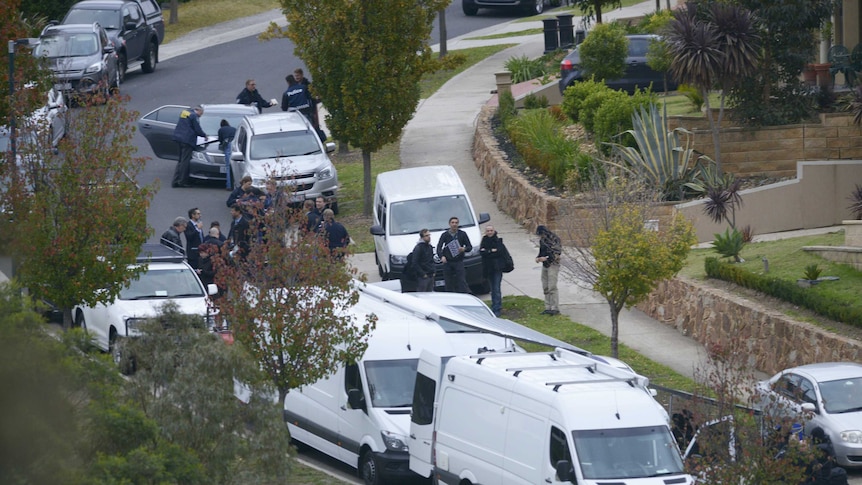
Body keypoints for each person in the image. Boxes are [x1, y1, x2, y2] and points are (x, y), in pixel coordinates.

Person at [171, 105, 206, 188]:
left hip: (179, 139)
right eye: (201, 113)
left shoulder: (185, 112)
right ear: (198, 110)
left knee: (180, 160)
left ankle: (175, 181)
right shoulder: (194, 116)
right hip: (188, 140)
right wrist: (204, 135)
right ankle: (182, 181)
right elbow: (197, 129)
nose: (201, 115)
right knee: (185, 162)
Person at [436, 216, 471, 293]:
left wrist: (464, 249)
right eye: (452, 223)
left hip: (458, 261)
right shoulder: (445, 235)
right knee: (448, 282)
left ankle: (464, 296)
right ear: (449, 224)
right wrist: (442, 256)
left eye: (456, 223)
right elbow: (438, 247)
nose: (454, 224)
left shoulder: (462, 234)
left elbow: (469, 247)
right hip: (448, 262)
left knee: (461, 281)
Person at [535, 225, 562, 315]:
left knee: (552, 287)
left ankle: (555, 308)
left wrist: (545, 258)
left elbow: (557, 253)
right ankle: (548, 307)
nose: (540, 237)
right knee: (545, 287)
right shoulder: (542, 240)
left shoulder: (554, 239)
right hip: (545, 265)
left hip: (553, 264)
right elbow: (541, 251)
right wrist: (538, 258)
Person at [480, 225, 504, 316]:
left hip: (497, 268)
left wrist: (487, 251)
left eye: (491, 230)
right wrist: (491, 251)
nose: (490, 232)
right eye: (488, 231)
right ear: (485, 232)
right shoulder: (484, 240)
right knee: (492, 289)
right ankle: (494, 306)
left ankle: (497, 308)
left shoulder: (498, 241)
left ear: (494, 231)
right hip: (488, 269)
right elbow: (482, 252)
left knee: (496, 288)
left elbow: (499, 252)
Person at [217, 119, 236, 190]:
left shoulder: (221, 130)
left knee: (228, 166)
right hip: (235, 144)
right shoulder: (234, 129)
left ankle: (229, 185)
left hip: (228, 144)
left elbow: (220, 140)